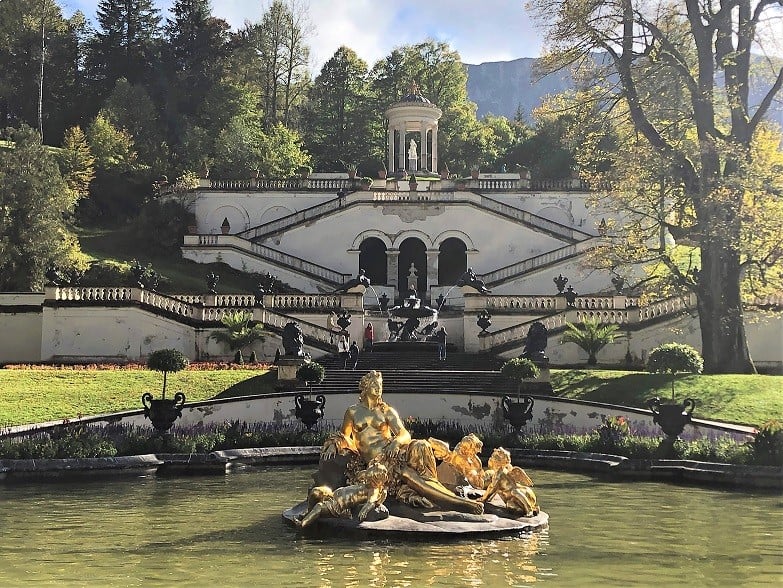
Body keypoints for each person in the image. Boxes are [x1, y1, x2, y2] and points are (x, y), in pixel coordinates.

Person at [321, 370, 483, 514]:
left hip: (393, 454)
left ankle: (452, 499)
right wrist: (334, 443)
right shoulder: (353, 412)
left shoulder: (386, 411)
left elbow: (404, 434)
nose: (379, 389)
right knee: (412, 477)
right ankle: (458, 502)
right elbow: (344, 436)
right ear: (365, 387)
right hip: (377, 465)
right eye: (375, 385)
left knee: (422, 445)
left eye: (380, 386)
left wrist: (395, 443)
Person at [295, 462, 389, 528]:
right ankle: (309, 512)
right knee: (315, 491)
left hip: (337, 505)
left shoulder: (373, 490)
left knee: (319, 507)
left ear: (375, 476)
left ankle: (302, 524)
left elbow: (371, 503)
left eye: (373, 468)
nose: (372, 465)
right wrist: (367, 472)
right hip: (333, 494)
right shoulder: (367, 480)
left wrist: (364, 510)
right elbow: (361, 475)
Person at [479, 447, 539, 516]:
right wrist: (488, 499)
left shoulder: (499, 474)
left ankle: (529, 509)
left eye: (493, 457)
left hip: (522, 494)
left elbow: (492, 487)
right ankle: (525, 509)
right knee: (510, 505)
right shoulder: (501, 471)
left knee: (514, 491)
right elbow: (495, 489)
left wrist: (483, 499)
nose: (490, 459)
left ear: (497, 461)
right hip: (514, 499)